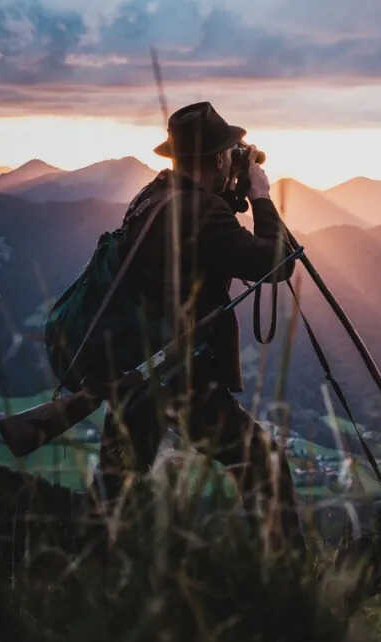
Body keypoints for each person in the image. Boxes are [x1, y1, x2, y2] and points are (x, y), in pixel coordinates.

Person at [97, 101, 303, 550]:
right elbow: (276, 262)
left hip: (136, 365)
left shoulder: (152, 197)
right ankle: (291, 583)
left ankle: (94, 587)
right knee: (262, 464)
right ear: (217, 158)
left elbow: (204, 237)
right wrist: (262, 195)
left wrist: (231, 191)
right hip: (183, 375)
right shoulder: (196, 213)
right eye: (229, 152)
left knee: (118, 490)